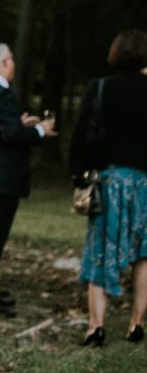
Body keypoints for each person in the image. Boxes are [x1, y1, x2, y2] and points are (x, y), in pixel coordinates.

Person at [69, 29, 147, 346]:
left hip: (109, 182)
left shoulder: (98, 88)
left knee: (99, 251)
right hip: (144, 185)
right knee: (144, 255)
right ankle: (136, 324)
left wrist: (78, 176)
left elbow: (80, 136)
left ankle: (96, 327)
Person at [0, 43, 56, 317]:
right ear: (4, 62)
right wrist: (40, 130)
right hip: (0, 180)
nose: (14, 65)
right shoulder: (1, 92)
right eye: (12, 60)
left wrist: (20, 124)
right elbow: (11, 136)